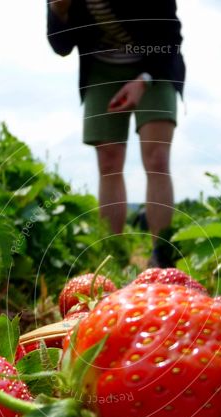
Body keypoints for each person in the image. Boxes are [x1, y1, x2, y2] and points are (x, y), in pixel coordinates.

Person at [46, 0, 185, 268]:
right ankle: (113, 259)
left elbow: (170, 34)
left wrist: (144, 80)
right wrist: (59, 10)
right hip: (101, 68)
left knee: (156, 157)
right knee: (108, 162)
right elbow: (61, 46)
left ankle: (163, 258)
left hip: (155, 62)